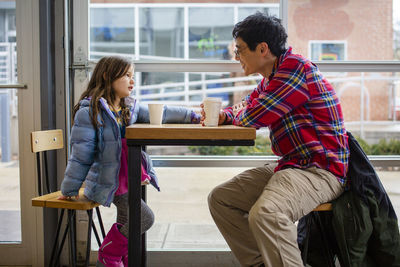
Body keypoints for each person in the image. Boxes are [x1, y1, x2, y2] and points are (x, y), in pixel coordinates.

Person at [204, 13, 349, 267]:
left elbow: (254, 114)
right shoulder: (272, 78)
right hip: (293, 166)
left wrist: (234, 116)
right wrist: (226, 115)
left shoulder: (295, 70)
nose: (235, 58)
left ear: (262, 49)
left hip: (319, 170)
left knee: (267, 214)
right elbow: (246, 106)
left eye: (239, 51)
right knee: (221, 199)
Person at [59, 56, 200, 267]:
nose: (132, 81)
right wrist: (70, 188)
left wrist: (192, 115)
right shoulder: (89, 112)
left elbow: (162, 113)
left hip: (128, 178)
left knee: (128, 221)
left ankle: (121, 259)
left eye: (133, 76)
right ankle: (109, 254)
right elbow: (81, 155)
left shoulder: (129, 108)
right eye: (127, 75)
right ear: (107, 76)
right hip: (109, 183)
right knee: (144, 218)